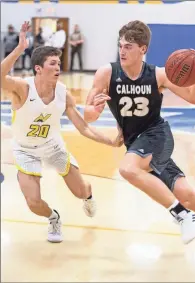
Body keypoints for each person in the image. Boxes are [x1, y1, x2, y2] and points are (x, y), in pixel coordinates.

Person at [83, 20, 195, 262]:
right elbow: (88, 114)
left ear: (143, 49)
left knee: (127, 169)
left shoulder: (159, 74)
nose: (122, 51)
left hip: (156, 137)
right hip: (136, 145)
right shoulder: (106, 73)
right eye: (120, 45)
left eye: (128, 46)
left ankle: (183, 215)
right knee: (188, 195)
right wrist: (94, 109)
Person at [1, 22, 123, 243]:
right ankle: (54, 217)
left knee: (81, 191)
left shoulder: (63, 93)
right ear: (38, 68)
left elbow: (83, 127)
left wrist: (111, 141)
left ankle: (88, 196)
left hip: (53, 147)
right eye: (52, 63)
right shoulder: (23, 88)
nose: (58, 67)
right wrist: (19, 49)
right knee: (33, 202)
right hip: (25, 150)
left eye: (59, 63)